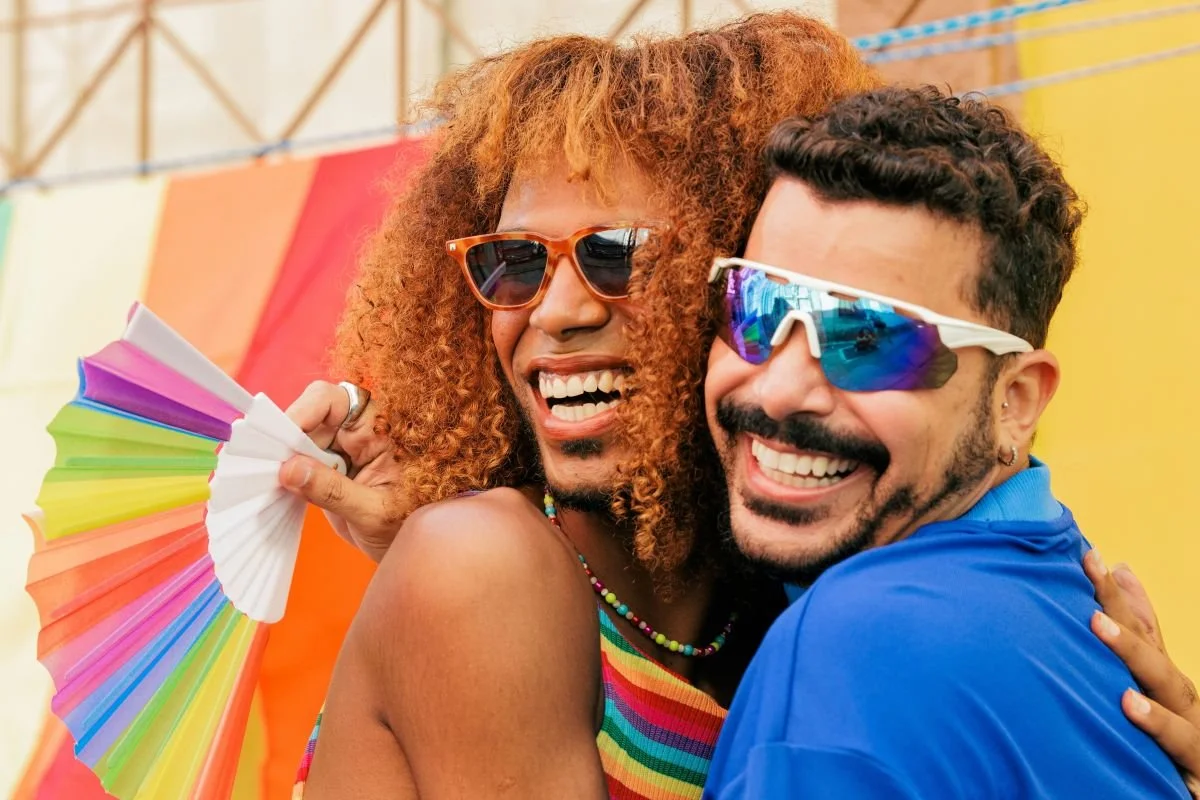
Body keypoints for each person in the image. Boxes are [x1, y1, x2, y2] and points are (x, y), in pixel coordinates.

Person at [278, 14, 1200, 800]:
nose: (553, 314)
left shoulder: (788, 587)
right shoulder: (481, 563)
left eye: (618, 256)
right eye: (513, 263)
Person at [701, 85, 1195, 797]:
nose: (778, 389)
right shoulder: (1058, 597)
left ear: (1014, 403)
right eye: (755, 307)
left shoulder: (850, 650)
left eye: (869, 338)